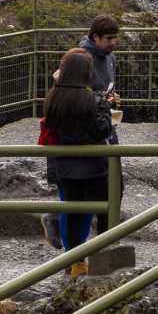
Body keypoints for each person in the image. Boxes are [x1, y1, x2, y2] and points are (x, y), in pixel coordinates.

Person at [41, 47, 115, 278]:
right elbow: (101, 130)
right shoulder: (91, 99)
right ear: (85, 72)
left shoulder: (53, 97)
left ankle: (76, 263)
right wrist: (106, 108)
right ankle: (103, 255)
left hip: (65, 164)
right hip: (93, 166)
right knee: (103, 211)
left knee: (72, 212)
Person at [82, 15, 123, 142]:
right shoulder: (80, 58)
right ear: (95, 37)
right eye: (109, 38)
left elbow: (107, 88)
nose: (113, 42)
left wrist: (111, 98)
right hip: (87, 128)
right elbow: (71, 94)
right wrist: (103, 98)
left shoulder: (110, 56)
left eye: (115, 37)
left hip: (106, 123)